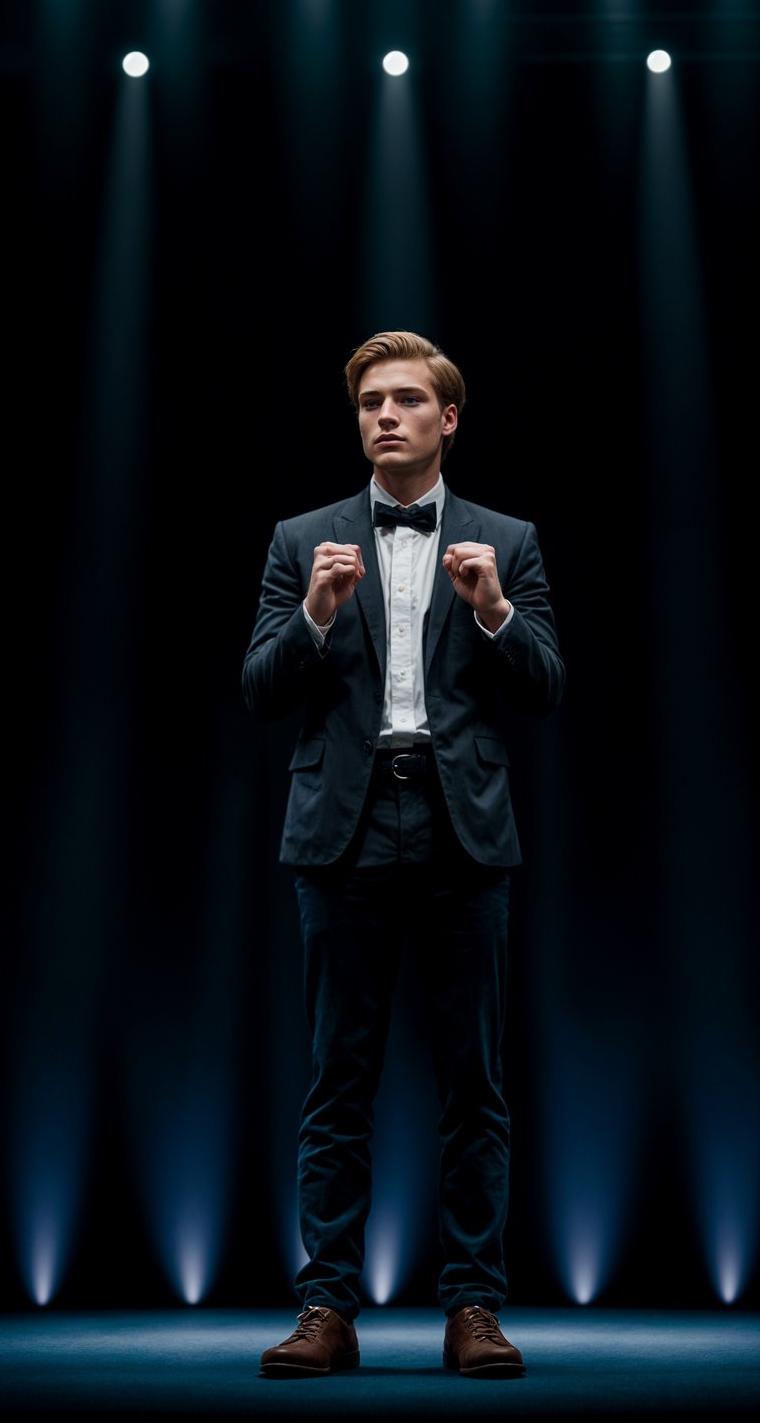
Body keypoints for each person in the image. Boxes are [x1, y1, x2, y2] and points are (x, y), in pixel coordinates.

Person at [242, 330, 564, 1379]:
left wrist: (495, 612)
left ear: (447, 418)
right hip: (340, 834)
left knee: (475, 1084)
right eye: (369, 402)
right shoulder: (303, 540)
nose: (383, 414)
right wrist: (316, 620)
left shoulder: (506, 539)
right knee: (338, 1082)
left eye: (404, 400)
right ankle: (326, 1308)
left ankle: (473, 1305)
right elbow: (259, 687)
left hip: (460, 830)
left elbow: (546, 684)